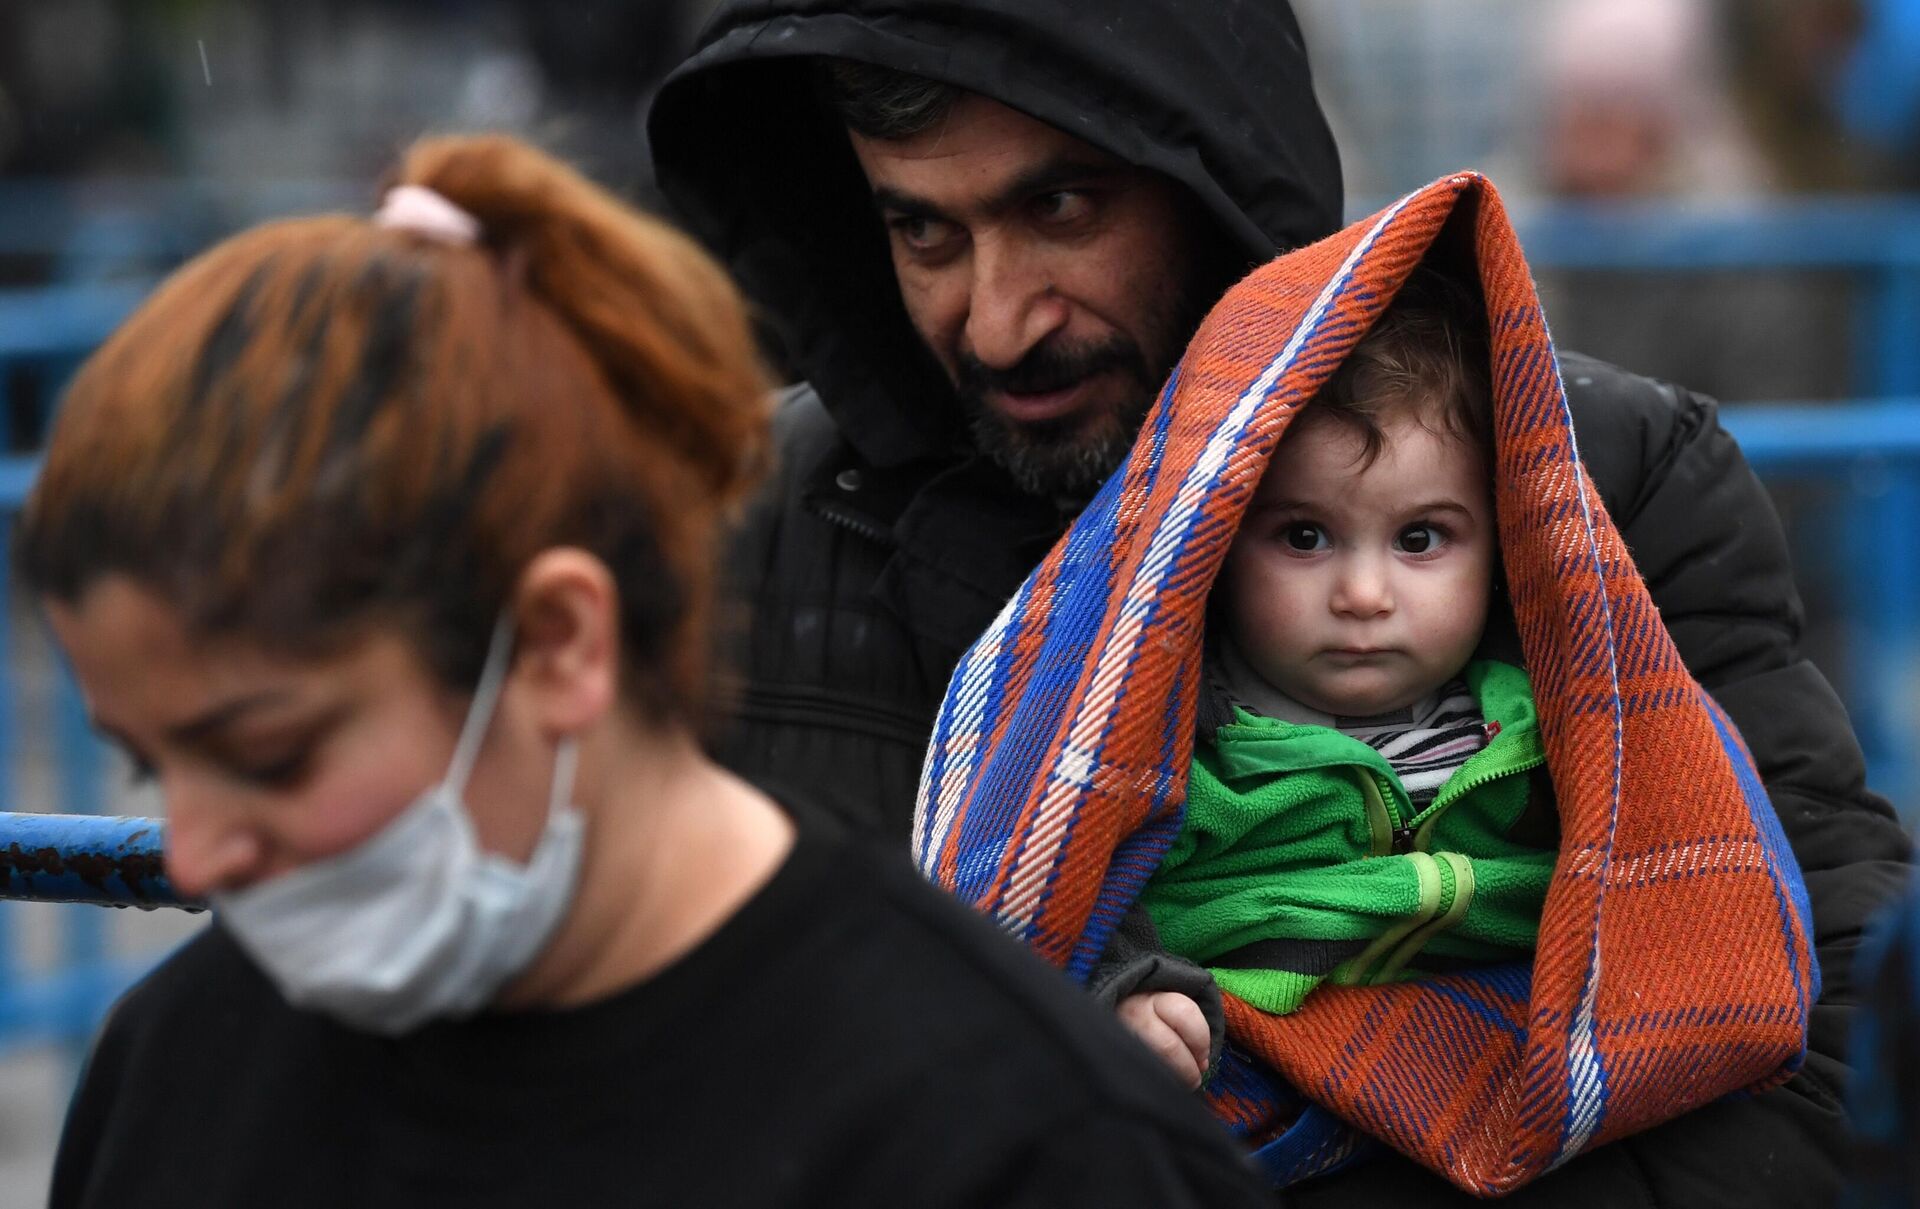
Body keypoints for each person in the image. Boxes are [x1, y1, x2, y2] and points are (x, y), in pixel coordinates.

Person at [646, 3, 1910, 1203]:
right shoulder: (753, 530)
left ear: (1211, 178)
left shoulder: (1594, 482)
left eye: (1063, 206)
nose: (996, 321)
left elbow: (1827, 1034)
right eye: (923, 231)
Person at [31, 134, 1275, 1209]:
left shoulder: (1028, 1141)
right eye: (153, 763)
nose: (188, 856)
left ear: (562, 645)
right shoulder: (176, 1073)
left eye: (268, 754)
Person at [1099, 268, 1557, 1086]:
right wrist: (1128, 991)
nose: (1364, 597)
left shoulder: (1549, 731)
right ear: (1219, 542)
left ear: (1503, 547)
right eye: (1305, 536)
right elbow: (1072, 886)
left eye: (1421, 539)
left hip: (1494, 1056)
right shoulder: (1179, 743)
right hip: (1241, 1063)